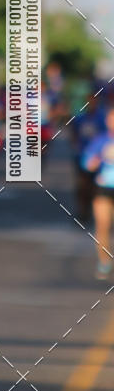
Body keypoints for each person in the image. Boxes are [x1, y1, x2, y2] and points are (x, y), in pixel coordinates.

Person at [82, 106, 114, 280]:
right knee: (103, 226)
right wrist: (97, 159)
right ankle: (104, 262)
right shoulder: (101, 140)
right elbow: (86, 162)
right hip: (104, 187)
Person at [70, 92, 105, 225]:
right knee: (82, 184)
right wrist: (76, 146)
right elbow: (73, 133)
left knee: (95, 185)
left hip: (97, 158)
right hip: (82, 155)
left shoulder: (101, 119)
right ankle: (82, 209)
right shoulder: (80, 118)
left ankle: (93, 209)